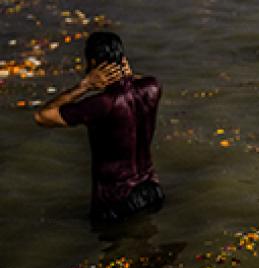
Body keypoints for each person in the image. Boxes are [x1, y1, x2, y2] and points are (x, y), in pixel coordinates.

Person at [34, 32, 164, 223]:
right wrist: (126, 76)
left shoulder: (102, 104)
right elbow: (137, 82)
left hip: (116, 202)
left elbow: (42, 116)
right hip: (152, 192)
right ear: (123, 60)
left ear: (93, 63)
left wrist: (84, 86)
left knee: (113, 250)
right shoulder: (152, 88)